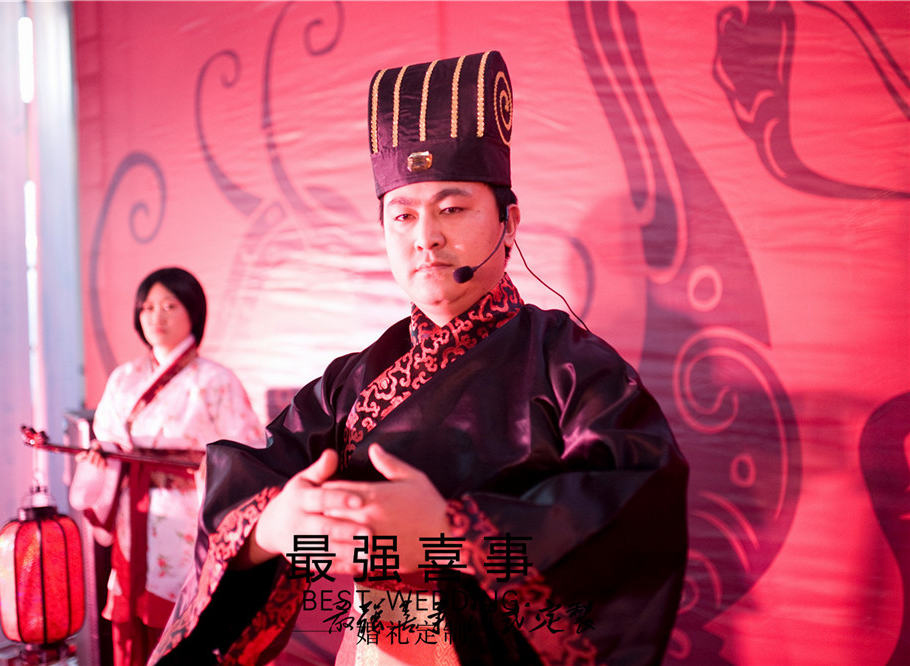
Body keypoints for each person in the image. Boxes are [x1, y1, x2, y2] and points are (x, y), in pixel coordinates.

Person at [149, 51, 688, 666]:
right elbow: (249, 481)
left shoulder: (571, 367)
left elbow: (633, 509)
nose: (425, 238)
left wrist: (452, 534)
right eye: (402, 215)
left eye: (452, 209)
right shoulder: (353, 380)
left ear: (509, 222)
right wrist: (274, 525)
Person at [71, 267, 264, 666]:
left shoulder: (216, 380)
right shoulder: (124, 378)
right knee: (133, 622)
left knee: (186, 618)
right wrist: (101, 458)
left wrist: (207, 471)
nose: (155, 316)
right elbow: (108, 441)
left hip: (189, 516)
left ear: (193, 311)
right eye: (147, 307)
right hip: (135, 513)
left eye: (169, 306)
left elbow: (247, 453)